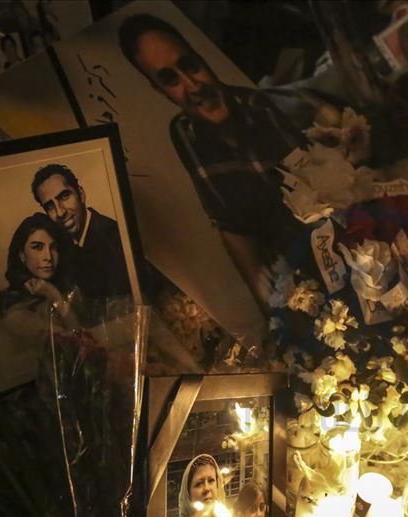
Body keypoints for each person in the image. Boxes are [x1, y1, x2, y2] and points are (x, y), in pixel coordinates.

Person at [117, 13, 322, 307]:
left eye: (190, 65)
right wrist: (265, 300)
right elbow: (230, 223)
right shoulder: (183, 133)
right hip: (295, 280)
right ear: (159, 90)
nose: (192, 86)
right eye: (170, 79)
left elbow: (327, 189)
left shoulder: (264, 106)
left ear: (202, 56)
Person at [31, 163, 131, 301]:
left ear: (81, 195)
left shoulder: (114, 237)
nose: (60, 212)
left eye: (64, 196)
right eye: (50, 206)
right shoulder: (60, 241)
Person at [0, 213, 78, 346]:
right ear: (22, 255)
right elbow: (80, 340)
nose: (48, 257)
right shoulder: (17, 314)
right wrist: (54, 295)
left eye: (54, 248)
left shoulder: (70, 289)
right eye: (38, 247)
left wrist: (53, 293)